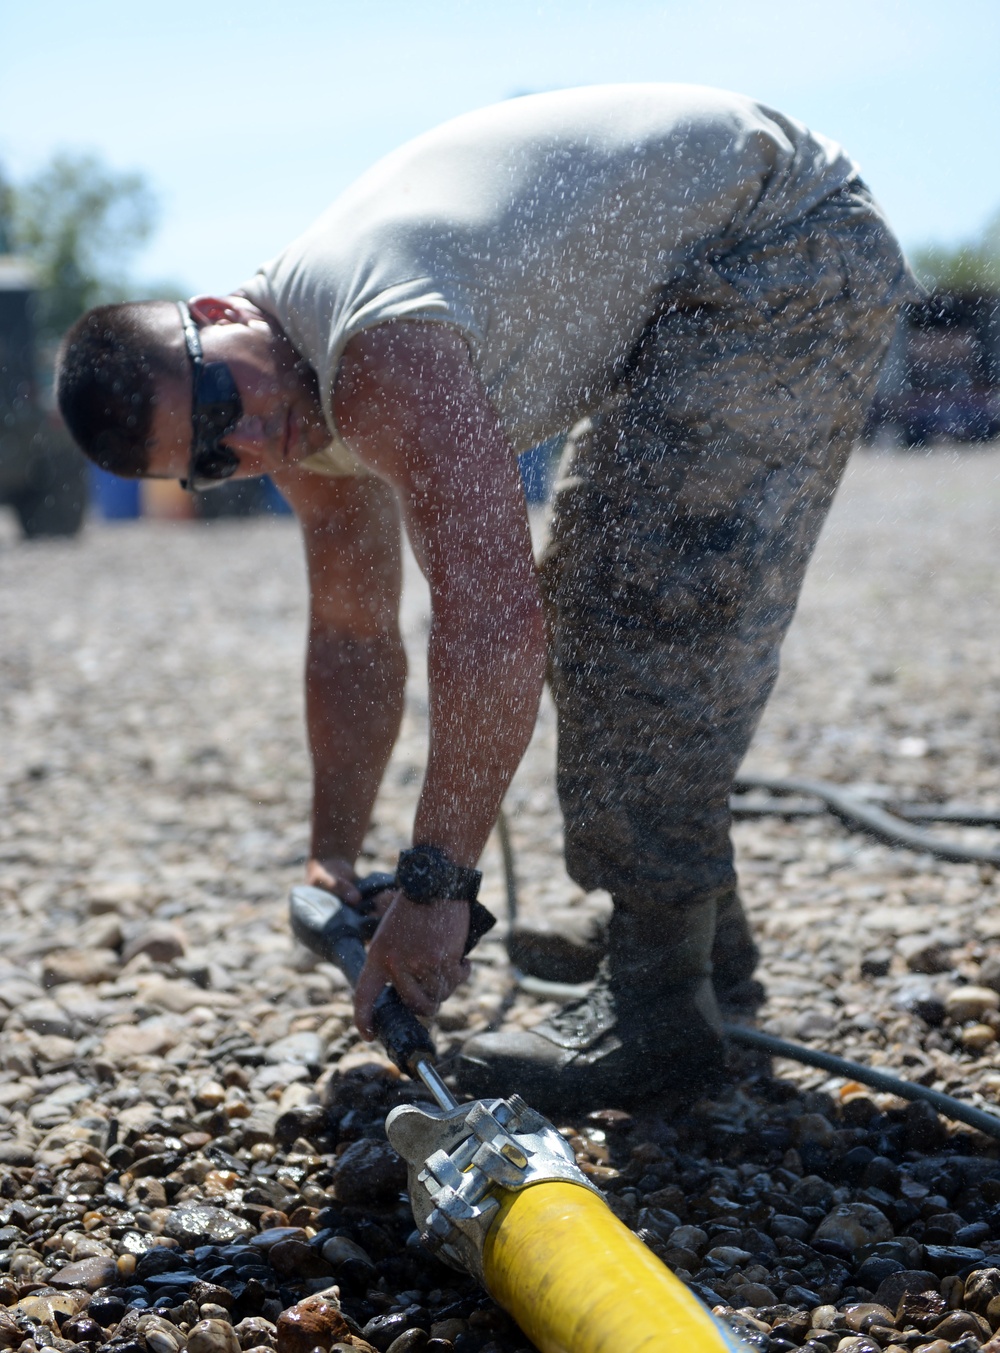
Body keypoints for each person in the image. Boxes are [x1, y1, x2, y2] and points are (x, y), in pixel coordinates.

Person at [55, 84, 919, 1113]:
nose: (239, 443)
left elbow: (491, 624)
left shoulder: (372, 349)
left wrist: (434, 890)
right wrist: (333, 859)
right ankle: (692, 939)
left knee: (629, 604)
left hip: (784, 235)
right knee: (613, 583)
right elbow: (352, 631)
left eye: (212, 403)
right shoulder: (290, 402)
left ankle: (657, 1006)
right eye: (204, 459)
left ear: (214, 316)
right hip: (709, 257)